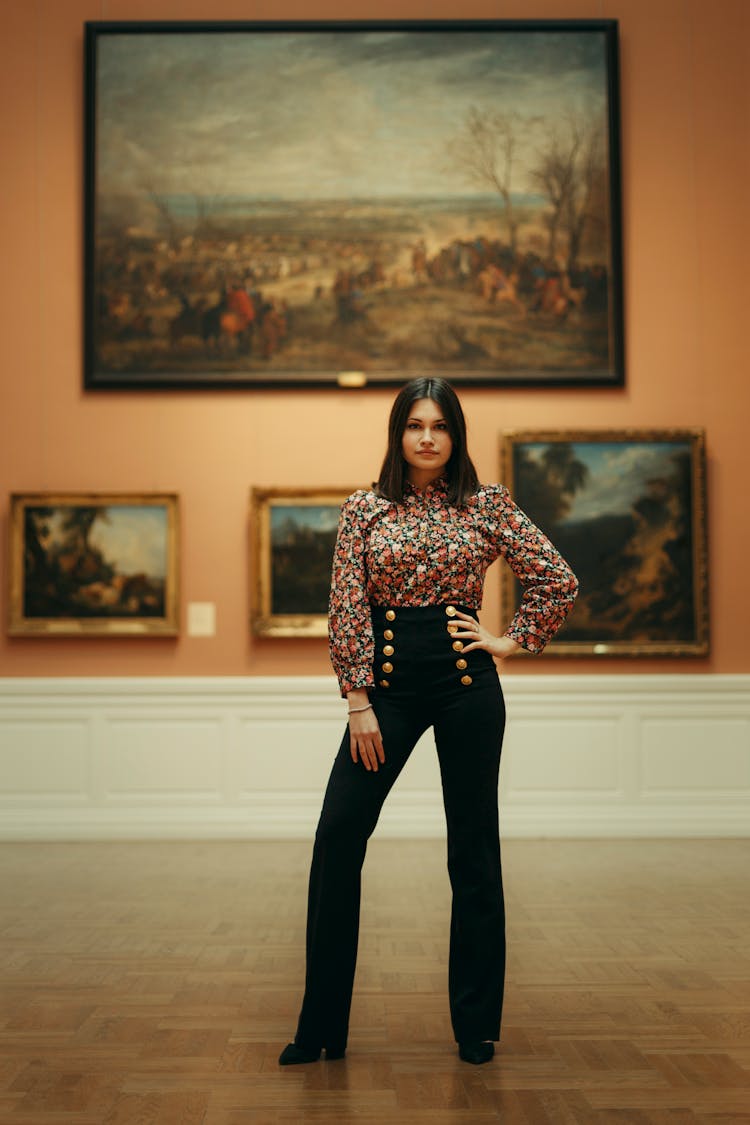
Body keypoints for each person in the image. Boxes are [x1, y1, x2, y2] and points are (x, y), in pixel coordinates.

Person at [279, 377, 578, 1068]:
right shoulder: (365, 509)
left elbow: (556, 578)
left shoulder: (487, 504)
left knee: (471, 851)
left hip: (466, 686)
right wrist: (358, 699)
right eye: (415, 423)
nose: (427, 437)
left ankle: (477, 1025)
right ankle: (320, 1022)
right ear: (398, 431)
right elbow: (347, 605)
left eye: (440, 425)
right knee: (337, 834)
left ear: (455, 434)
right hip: (384, 690)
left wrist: (510, 639)